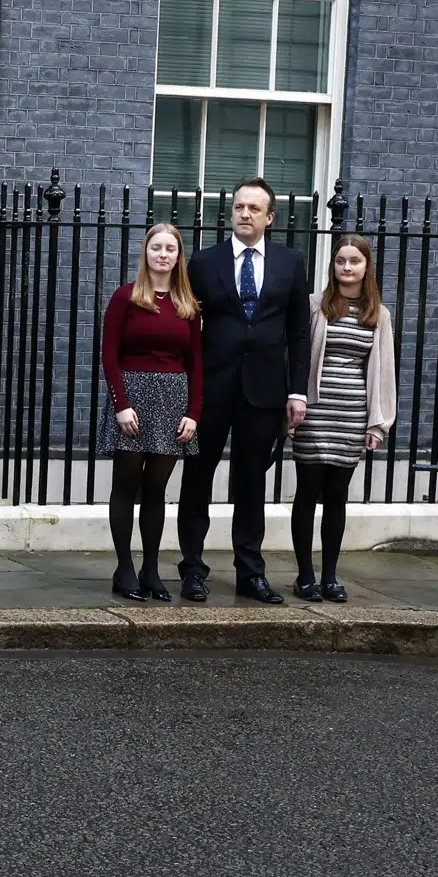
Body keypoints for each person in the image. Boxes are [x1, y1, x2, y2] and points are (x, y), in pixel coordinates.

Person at [177, 178, 311, 604]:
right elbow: (187, 328)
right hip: (213, 387)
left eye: (254, 208)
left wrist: (298, 391)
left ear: (269, 217)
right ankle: (192, 569)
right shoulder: (205, 261)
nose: (245, 214)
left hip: (265, 390)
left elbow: (299, 331)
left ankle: (250, 573)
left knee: (252, 484)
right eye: (239, 207)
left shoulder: (291, 262)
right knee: (197, 479)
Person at [98, 224, 202, 601]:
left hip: (173, 399)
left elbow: (196, 362)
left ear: (178, 256)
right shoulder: (126, 298)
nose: (163, 254)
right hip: (132, 397)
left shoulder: (187, 305)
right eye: (156, 247)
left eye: (170, 249)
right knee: (126, 486)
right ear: (146, 252)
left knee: (156, 489)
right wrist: (121, 405)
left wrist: (193, 412)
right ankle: (124, 568)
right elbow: (109, 355)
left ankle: (151, 569)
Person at [289, 235, 396, 602]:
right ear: (332, 265)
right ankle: (305, 576)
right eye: (340, 260)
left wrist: (377, 424)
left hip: (351, 416)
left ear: (366, 267)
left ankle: (330, 577)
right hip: (314, 413)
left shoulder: (378, 314)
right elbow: (297, 356)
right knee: (307, 493)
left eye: (354, 261)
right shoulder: (314, 306)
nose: (347, 267)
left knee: (337, 497)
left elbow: (384, 372)